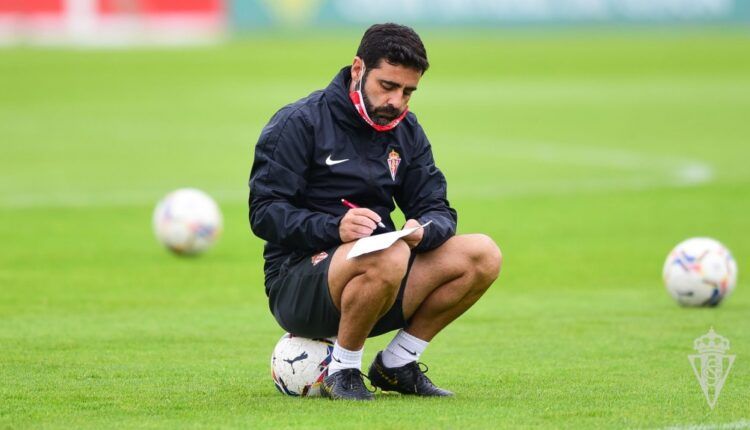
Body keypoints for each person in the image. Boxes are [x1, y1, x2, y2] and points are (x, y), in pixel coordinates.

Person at [249, 23, 502, 401]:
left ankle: (398, 364)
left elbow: (436, 206)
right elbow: (264, 213)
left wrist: (423, 231)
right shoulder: (299, 122)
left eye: (408, 92)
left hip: (381, 272)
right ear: (357, 69)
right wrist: (336, 228)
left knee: (482, 254)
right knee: (388, 252)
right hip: (298, 282)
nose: (397, 101)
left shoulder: (406, 131)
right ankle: (344, 370)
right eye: (387, 86)